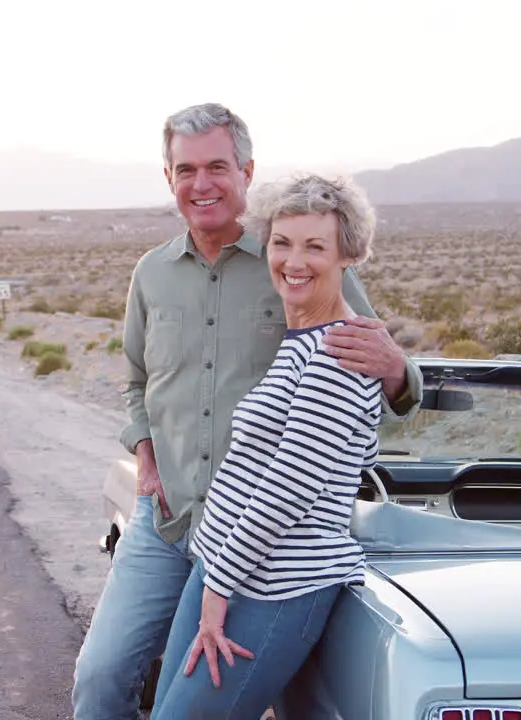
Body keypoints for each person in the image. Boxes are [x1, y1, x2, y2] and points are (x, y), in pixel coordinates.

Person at [70, 103, 422, 720]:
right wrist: (145, 453)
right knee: (100, 679)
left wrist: (397, 370)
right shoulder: (151, 275)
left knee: (235, 700)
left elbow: (369, 359)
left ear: (246, 170)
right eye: (185, 170)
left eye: (216, 167)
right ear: (169, 178)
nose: (200, 184)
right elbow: (136, 383)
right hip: (172, 520)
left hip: (267, 542)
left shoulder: (292, 255)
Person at [150, 171, 383, 718]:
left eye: (314, 247)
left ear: (347, 255)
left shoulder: (340, 351)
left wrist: (219, 586)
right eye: (281, 243)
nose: (293, 261)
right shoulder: (300, 338)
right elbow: (354, 452)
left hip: (271, 588)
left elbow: (290, 487)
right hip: (224, 566)